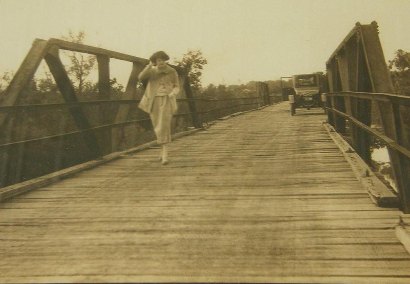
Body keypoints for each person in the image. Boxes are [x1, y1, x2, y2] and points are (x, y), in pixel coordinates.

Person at [138, 51, 180, 165]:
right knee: (157, 126)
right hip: (153, 101)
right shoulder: (152, 71)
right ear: (155, 62)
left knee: (164, 125)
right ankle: (162, 151)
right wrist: (149, 66)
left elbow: (177, 86)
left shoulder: (172, 71)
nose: (160, 62)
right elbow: (140, 77)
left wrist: (173, 93)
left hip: (166, 100)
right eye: (157, 61)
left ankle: (165, 153)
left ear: (165, 60)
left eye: (162, 60)